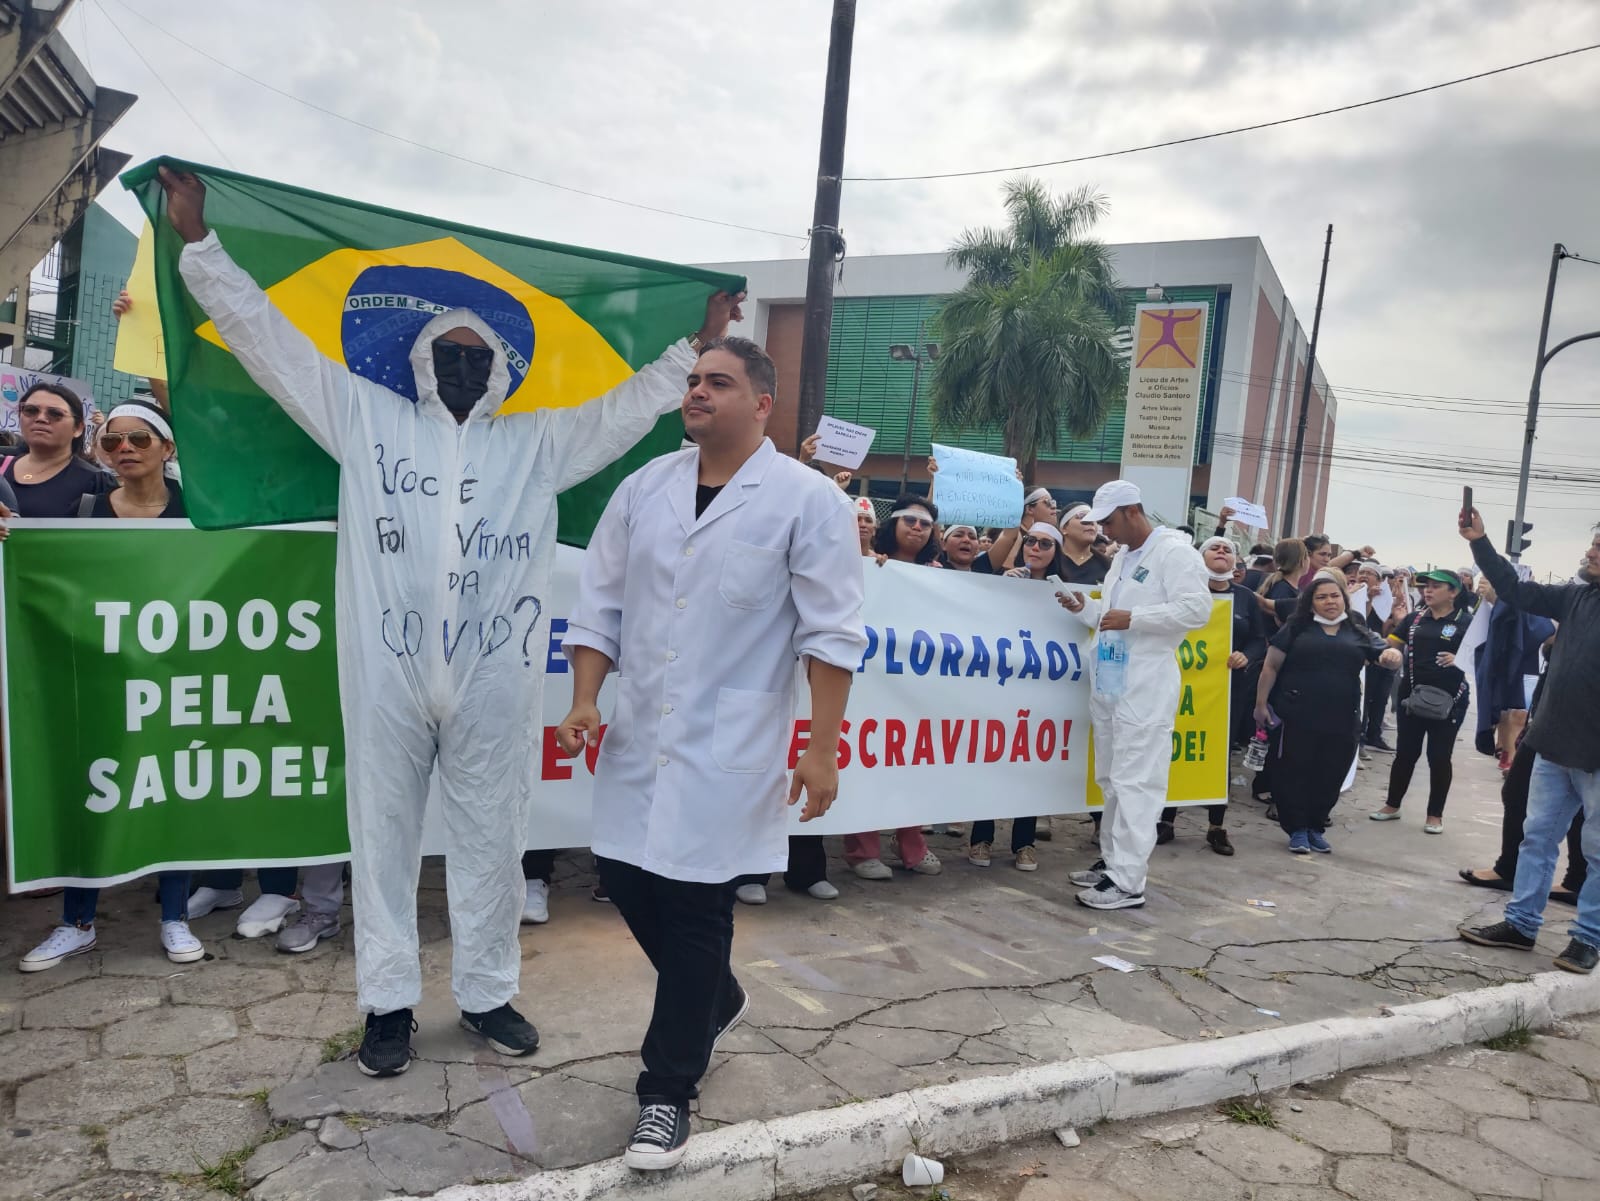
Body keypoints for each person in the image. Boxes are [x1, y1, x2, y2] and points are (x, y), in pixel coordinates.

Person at [158, 165, 745, 1076]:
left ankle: (486, 991)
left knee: (491, 836)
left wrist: (694, 345)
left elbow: (630, 407)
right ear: (422, 364)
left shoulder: (539, 442)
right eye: (448, 354)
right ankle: (386, 1005)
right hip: (387, 670)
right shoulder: (364, 416)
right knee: (381, 835)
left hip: (493, 676)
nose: (465, 367)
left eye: (480, 356)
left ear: (503, 368)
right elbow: (266, 341)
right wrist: (201, 247)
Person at [556, 335, 865, 1169]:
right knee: (621, 874)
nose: (696, 391)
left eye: (717, 382)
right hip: (640, 736)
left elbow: (833, 634)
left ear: (762, 403)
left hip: (733, 742)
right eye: (693, 380)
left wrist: (822, 750)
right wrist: (586, 697)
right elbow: (600, 606)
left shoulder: (806, 501)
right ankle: (716, 998)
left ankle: (666, 1092)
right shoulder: (642, 488)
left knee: (698, 909)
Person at [19, 402, 205, 971]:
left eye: (140, 439)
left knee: (174, 792)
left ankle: (175, 916)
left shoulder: (198, 513)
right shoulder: (86, 510)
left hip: (174, 682)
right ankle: (77, 922)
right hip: (99, 684)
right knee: (93, 796)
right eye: (113, 440)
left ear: (168, 449)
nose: (124, 448)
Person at [1057, 480, 1210, 909]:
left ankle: (1129, 882)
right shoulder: (1123, 557)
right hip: (1111, 679)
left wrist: (1135, 617)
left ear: (1132, 511)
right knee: (1111, 777)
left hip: (1146, 681)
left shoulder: (1175, 553)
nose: (1104, 531)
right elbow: (1111, 617)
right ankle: (1112, 863)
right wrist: (1083, 609)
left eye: (1108, 521)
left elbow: (1197, 610)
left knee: (1137, 781)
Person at [1458, 515, 1600, 973]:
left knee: (1597, 851)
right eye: (1593, 543)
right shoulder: (1577, 596)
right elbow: (1517, 591)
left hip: (1596, 756)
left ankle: (1587, 939)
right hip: (1551, 745)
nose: (1591, 552)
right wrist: (1480, 543)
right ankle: (1521, 924)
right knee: (1536, 838)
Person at [1254, 572, 1401, 853]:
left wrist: (1392, 657)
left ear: (1344, 599)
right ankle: (1296, 829)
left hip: (1342, 716)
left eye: (1334, 596)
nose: (1329, 601)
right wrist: (1261, 705)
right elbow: (1270, 667)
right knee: (1293, 773)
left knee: (1331, 773)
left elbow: (1383, 655)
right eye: (1321, 597)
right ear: (1311, 603)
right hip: (1297, 714)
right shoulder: (1296, 627)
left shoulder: (1356, 626)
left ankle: (1315, 826)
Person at [848, 495, 944, 879]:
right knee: (869, 760)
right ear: (895, 525)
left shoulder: (940, 574)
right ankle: (862, 850)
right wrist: (871, 567)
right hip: (874, 683)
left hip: (920, 688)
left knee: (915, 765)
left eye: (925, 524)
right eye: (910, 522)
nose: (917, 529)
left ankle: (912, 845)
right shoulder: (872, 564)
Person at [967, 521, 1068, 872]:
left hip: (1042, 691)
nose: (1035, 548)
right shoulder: (1005, 581)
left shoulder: (1065, 592)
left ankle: (1024, 843)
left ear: (1057, 552)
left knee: (1030, 767)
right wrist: (999, 590)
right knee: (991, 760)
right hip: (1001, 687)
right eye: (1030, 541)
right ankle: (981, 837)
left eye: (1044, 544)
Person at [1158, 537, 1268, 855]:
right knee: (1177, 747)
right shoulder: (1183, 593)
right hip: (1182, 685)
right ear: (1199, 556)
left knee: (1218, 756)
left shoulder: (1246, 599)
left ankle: (1216, 826)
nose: (1222, 552)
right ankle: (1166, 819)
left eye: (1228, 550)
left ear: (1236, 562)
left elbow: (1260, 640)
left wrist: (1245, 655)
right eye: (1214, 548)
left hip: (1227, 692)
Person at [1370, 569, 1473, 833]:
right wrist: (1390, 653)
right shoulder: (1414, 619)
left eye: (1437, 586)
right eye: (1426, 585)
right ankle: (1392, 805)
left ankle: (1435, 815)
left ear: (1453, 592)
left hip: (1451, 698)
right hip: (1411, 696)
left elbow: (1485, 657)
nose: (1428, 590)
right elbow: (1391, 644)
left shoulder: (1467, 622)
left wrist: (1460, 659)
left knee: (1439, 757)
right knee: (1405, 753)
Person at [1472, 572, 1555, 771]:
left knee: (1517, 715)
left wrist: (1499, 600)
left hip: (1546, 669)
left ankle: (1511, 757)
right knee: (1514, 714)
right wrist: (1498, 601)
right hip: (1529, 668)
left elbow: (1547, 633)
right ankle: (1510, 756)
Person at [1, 383, 109, 516]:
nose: (40, 418)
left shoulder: (96, 482)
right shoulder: (2, 465)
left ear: (78, 428)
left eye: (55, 413)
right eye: (30, 410)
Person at [1354, 562, 1398, 752]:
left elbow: (1388, 627)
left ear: (1380, 580)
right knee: (1366, 697)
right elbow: (1360, 621)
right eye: (1361, 572)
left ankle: (1374, 734)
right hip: (1365, 656)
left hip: (1383, 653)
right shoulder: (1354, 595)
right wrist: (1368, 598)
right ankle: (1360, 739)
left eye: (1369, 573)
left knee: (1380, 699)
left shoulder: (1387, 600)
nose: (1364, 575)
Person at [977, 487, 1058, 573]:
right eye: (1047, 502)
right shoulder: (1016, 536)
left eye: (1053, 502)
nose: (1053, 507)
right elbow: (1008, 572)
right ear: (1029, 509)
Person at [1056, 505, 1109, 585]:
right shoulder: (1050, 561)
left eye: (1094, 518)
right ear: (1064, 528)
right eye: (1082, 516)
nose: (1091, 522)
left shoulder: (1108, 566)